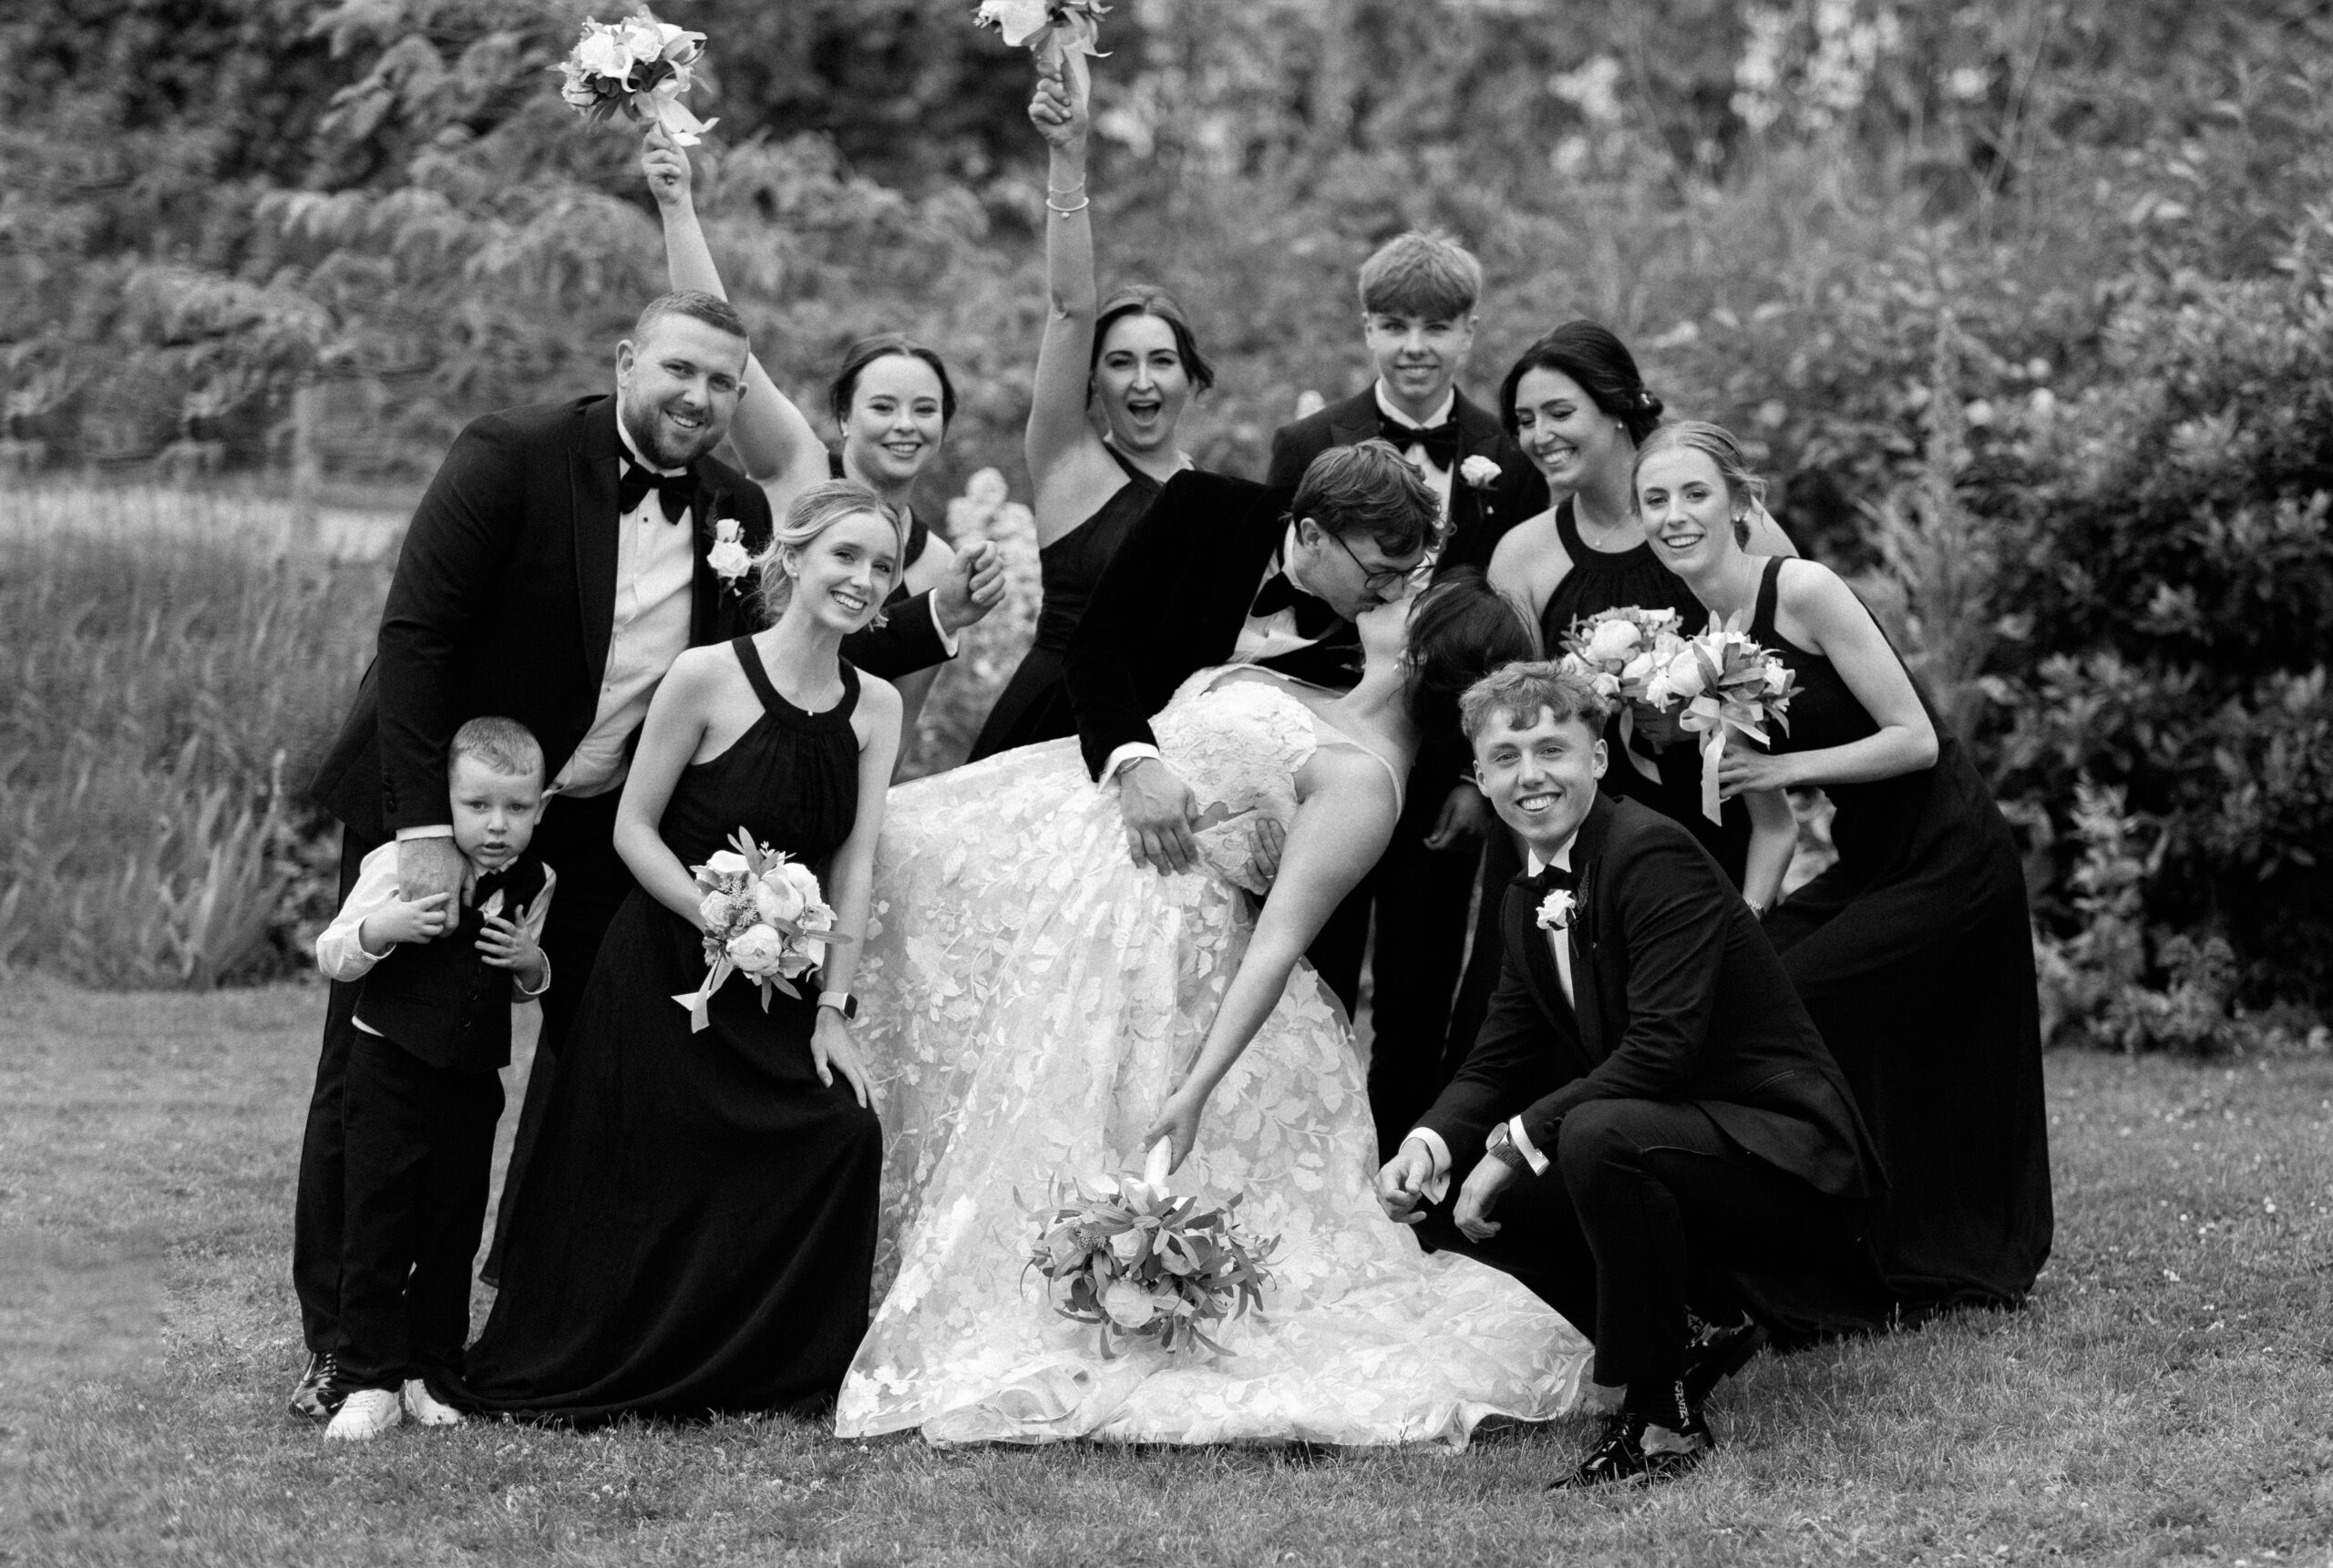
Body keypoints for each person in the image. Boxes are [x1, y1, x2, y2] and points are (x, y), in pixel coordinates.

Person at [838, 570, 1592, 1445]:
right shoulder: (1311, 676)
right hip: (1046, 845)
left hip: (1140, 941)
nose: (1387, 591)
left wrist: (1195, 1088)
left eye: (1409, 598)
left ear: (1421, 649)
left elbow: (1275, 944)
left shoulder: (1365, 783)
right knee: (868, 880)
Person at [293, 291, 778, 1419]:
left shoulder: (737, 506)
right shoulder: (510, 453)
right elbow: (416, 637)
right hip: (449, 801)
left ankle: (539, 1323)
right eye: (680, 369)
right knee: (374, 1070)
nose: (698, 397)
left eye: (722, 382)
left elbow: (743, 668)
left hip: (595, 826)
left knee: (597, 1055)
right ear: (627, 360)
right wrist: (427, 832)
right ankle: (344, 1345)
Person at [458, 482, 899, 1422]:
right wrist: (723, 914)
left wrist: (833, 1009)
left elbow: (856, 863)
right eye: (845, 555)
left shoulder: (879, 707)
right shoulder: (704, 675)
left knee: (843, 1132)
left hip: (780, 983)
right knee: (650, 1160)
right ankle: (626, 1346)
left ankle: (768, 1366)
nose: (863, 579)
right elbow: (632, 828)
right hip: (665, 971)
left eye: (882, 565)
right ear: (793, 557)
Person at [1377, 662, 1877, 1487]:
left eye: (1552, 749)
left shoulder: (1651, 852)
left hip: (1788, 1159)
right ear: (1481, 777)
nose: (1530, 775)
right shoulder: (1524, 897)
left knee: (1593, 1133)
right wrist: (1430, 1143)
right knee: (1445, 1189)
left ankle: (1661, 1422)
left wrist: (1514, 1143)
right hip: (1678, 1139)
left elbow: (1662, 1050)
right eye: (1506, 757)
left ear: (1600, 757)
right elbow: (1497, 1055)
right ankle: (1695, 1328)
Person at [1633, 421, 2052, 1334]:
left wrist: (1782, 766)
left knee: (1804, 1000)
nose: (1674, 515)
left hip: (1947, 855)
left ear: (1740, 502)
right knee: (1750, 988)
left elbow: (1916, 738)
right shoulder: (1705, 646)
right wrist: (1745, 922)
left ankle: (1874, 1242)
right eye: (1655, 500)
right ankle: (1800, 1246)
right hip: (1867, 859)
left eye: (1695, 493)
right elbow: (1772, 824)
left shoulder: (1803, 590)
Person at [1445, 323, 1798, 1079]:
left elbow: (1787, 653)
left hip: (1707, 810)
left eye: (1559, 412)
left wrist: (1715, 714)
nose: (1539, 436)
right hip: (1576, 817)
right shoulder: (1525, 552)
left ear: (1617, 408)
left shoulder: (1714, 514)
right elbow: (1510, 708)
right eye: (1525, 420)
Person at [1265, 231, 1547, 1158]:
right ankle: (1306, 1162)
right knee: (1314, 971)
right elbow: (1279, 601)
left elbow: (1507, 636)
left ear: (1469, 332)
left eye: (1436, 327)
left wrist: (1475, 778)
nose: (1414, 346)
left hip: (1441, 772)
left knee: (1420, 986)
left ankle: (1399, 1174)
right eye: (1393, 325)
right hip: (1332, 748)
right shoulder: (1307, 443)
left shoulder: (1509, 460)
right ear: (1366, 329)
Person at [641, 126, 1005, 737]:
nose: (905, 425)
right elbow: (724, 340)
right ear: (843, 417)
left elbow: (897, 717)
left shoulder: (938, 564)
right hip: (714, 733)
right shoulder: (797, 464)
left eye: (925, 409)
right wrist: (678, 207)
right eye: (883, 406)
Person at [311, 718, 553, 1441]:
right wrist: (383, 928)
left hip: (472, 1082)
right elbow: (334, 952)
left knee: (453, 1228)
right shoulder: (396, 862)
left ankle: (430, 1369)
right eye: (478, 805)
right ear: (446, 799)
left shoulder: (537, 879)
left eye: (516, 807)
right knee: (377, 1227)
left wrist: (531, 962)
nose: (497, 824)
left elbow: (526, 985)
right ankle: (369, 1378)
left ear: (540, 807)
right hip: (388, 1072)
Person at [968, 55, 1212, 760]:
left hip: (1163, 735)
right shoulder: (1067, 462)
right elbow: (1071, 309)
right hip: (1053, 721)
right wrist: (1068, 156)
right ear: (1093, 380)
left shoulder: (1208, 500)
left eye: (1161, 361)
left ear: (1190, 379)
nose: (1142, 382)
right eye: (1120, 362)